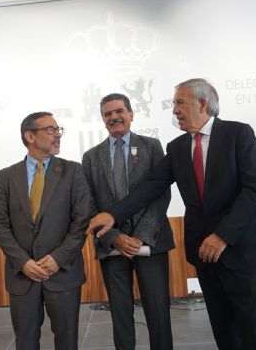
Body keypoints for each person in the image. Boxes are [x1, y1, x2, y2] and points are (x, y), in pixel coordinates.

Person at [88, 79, 256, 349]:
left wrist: (222, 236)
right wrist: (113, 216)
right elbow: (150, 188)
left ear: (202, 103)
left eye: (179, 103)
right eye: (174, 104)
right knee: (223, 326)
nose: (174, 110)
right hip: (204, 254)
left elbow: (254, 192)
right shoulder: (177, 148)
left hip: (240, 249)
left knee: (251, 323)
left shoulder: (238, 134)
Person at [81, 93, 174, 350]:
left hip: (150, 242)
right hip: (112, 245)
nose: (114, 117)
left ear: (131, 114)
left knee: (158, 312)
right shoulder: (90, 157)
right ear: (102, 120)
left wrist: (140, 237)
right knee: (120, 315)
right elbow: (88, 205)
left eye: (119, 111)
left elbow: (160, 194)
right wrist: (115, 238)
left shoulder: (151, 146)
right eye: (107, 114)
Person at [0, 112, 91, 350]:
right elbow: (1, 224)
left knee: (67, 341)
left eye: (58, 129)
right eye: (49, 130)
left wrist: (58, 259)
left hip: (62, 272)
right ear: (30, 136)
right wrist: (23, 262)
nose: (57, 135)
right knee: (25, 341)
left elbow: (81, 221)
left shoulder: (73, 171)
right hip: (22, 275)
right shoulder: (7, 176)